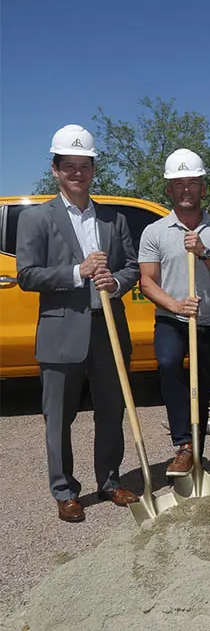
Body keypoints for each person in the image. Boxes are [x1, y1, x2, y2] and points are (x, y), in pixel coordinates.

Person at [16, 124, 140, 522]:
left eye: (84, 165)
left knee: (110, 409)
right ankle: (65, 490)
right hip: (61, 330)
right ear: (55, 170)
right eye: (68, 166)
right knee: (59, 416)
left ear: (93, 169)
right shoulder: (37, 219)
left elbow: (133, 268)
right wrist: (77, 271)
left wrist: (116, 282)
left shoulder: (113, 220)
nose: (77, 173)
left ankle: (109, 481)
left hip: (107, 326)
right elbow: (27, 275)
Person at [138, 148, 210, 477]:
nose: (185, 189)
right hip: (171, 319)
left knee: (203, 385)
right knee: (168, 364)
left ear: (203, 188)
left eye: (192, 183)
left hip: (209, 322)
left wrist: (205, 252)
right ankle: (183, 444)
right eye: (178, 183)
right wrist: (176, 306)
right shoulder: (154, 232)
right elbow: (147, 283)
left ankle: (196, 453)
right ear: (169, 189)